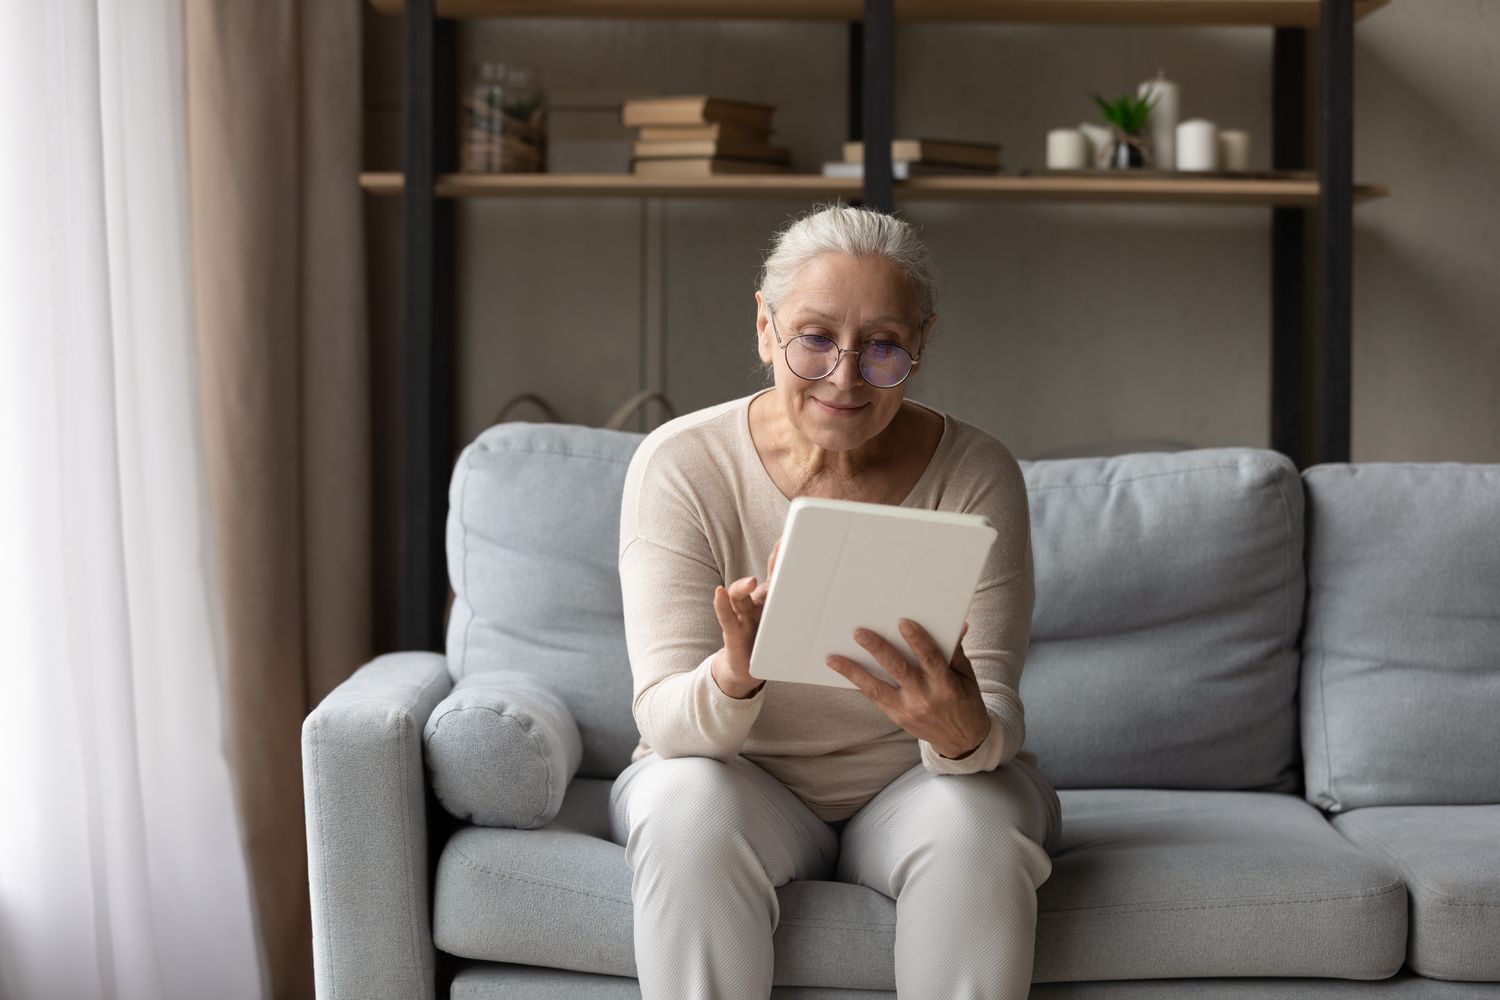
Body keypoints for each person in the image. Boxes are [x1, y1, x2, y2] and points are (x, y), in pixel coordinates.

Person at [610, 202, 1062, 1000]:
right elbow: (663, 720)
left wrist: (963, 734)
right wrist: (736, 673)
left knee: (977, 826)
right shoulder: (681, 465)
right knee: (684, 810)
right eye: (814, 338)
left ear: (919, 344)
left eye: (881, 346)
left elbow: (996, 711)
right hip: (741, 781)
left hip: (909, 788)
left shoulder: (977, 474)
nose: (844, 377)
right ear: (764, 329)